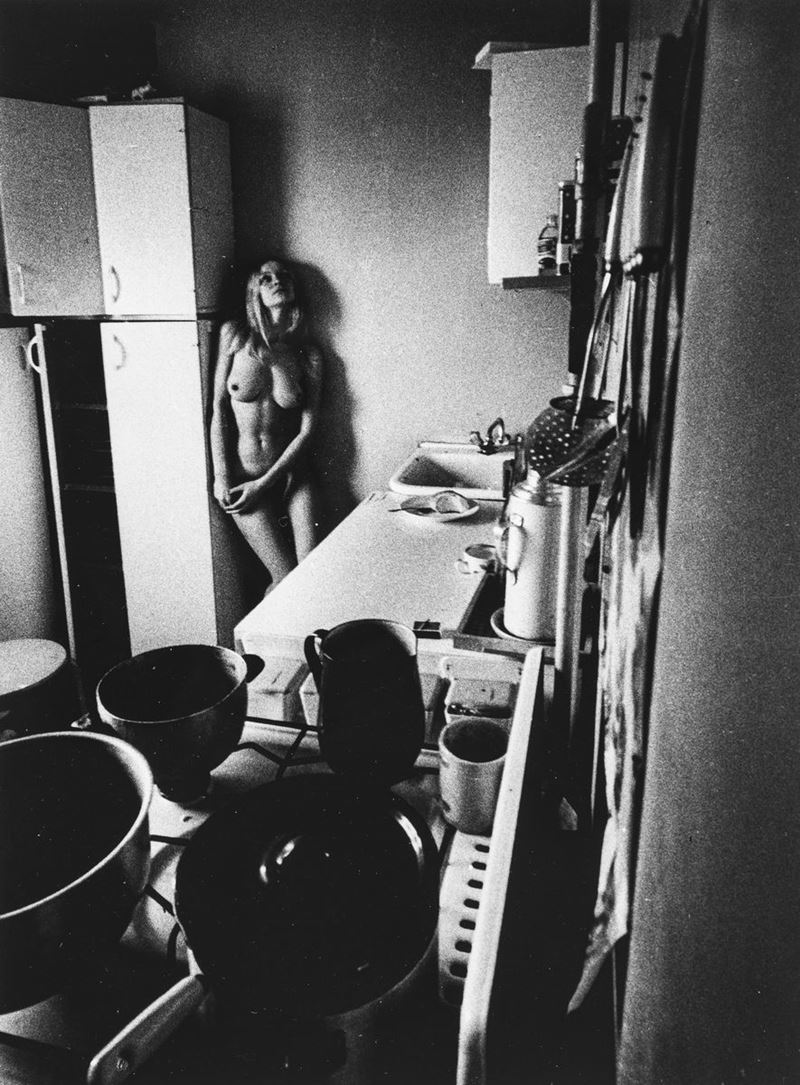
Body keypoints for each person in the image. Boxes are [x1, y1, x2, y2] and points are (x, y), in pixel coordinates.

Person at [210, 259, 322, 586]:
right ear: (254, 291)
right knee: (284, 578)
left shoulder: (308, 355)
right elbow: (218, 408)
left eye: (284, 276)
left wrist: (265, 483)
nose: (276, 281)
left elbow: (308, 431)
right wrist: (221, 476)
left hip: (292, 478)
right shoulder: (233, 336)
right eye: (266, 278)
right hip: (244, 478)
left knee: (309, 577)